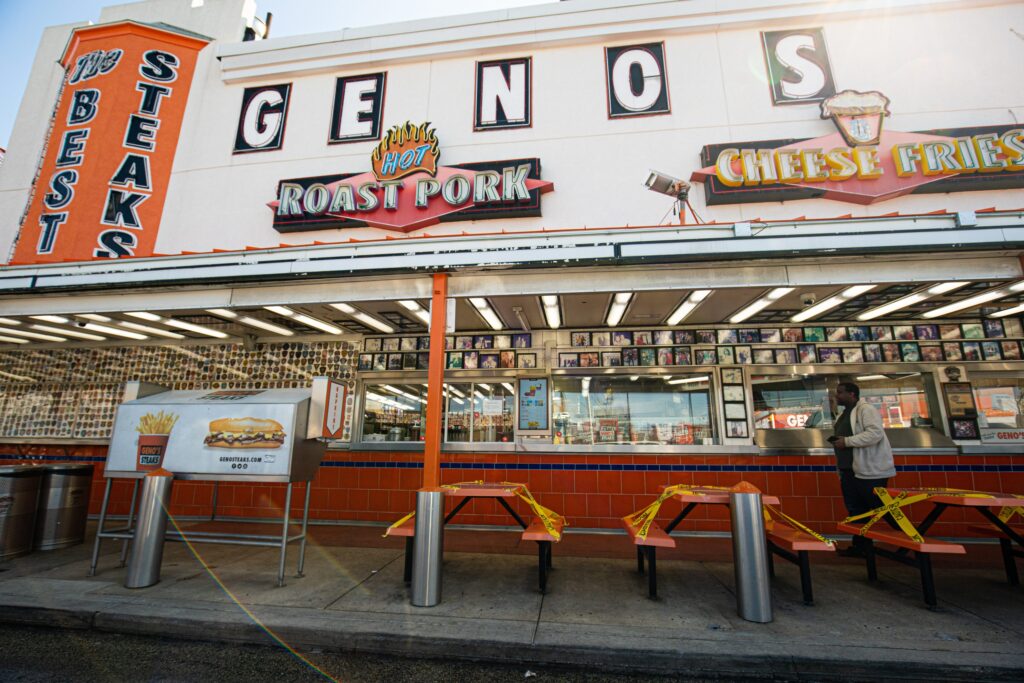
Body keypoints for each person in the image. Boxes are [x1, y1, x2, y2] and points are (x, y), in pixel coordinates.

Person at [830, 381, 897, 556]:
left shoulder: (866, 410)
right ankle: (860, 547)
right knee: (856, 510)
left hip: (869, 470)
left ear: (852, 394)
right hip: (849, 469)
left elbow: (875, 433)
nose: (837, 396)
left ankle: (909, 536)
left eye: (840, 392)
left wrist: (847, 441)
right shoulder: (844, 413)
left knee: (880, 507)